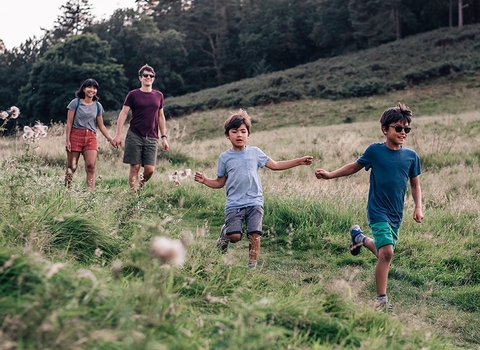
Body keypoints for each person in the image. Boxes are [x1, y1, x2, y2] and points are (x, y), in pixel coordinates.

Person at [315, 102, 423, 312]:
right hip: (377, 210)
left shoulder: (411, 156)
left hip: (396, 213)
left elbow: (415, 184)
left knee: (384, 253)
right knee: (388, 253)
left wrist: (418, 207)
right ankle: (381, 301)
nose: (403, 132)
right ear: (385, 129)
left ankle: (359, 238)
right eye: (398, 128)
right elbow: (353, 167)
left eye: (407, 129)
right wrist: (330, 174)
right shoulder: (375, 151)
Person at [194, 109, 313, 269]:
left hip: (255, 201)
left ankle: (251, 267)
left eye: (243, 131)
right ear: (227, 135)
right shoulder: (224, 158)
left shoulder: (255, 153)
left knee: (254, 235)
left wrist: (298, 161)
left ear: (248, 134)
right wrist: (205, 180)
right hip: (234, 204)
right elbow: (219, 182)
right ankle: (225, 233)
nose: (239, 135)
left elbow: (276, 165)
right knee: (235, 236)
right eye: (234, 131)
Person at [111, 64, 169, 192]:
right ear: (140, 78)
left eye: (151, 75)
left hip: (152, 136)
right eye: (145, 75)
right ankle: (133, 195)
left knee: (150, 169)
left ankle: (140, 184)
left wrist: (164, 137)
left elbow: (161, 116)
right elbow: (124, 113)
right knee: (135, 167)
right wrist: (118, 134)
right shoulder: (133, 94)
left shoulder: (159, 95)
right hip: (135, 134)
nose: (148, 77)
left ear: (154, 78)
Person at [65, 78, 115, 189]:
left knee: (91, 166)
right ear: (84, 89)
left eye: (94, 88)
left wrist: (110, 139)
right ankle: (66, 191)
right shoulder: (75, 103)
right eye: (89, 87)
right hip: (75, 136)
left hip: (91, 137)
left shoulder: (98, 106)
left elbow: (101, 125)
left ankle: (90, 195)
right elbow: (69, 122)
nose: (91, 90)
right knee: (71, 167)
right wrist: (67, 140)